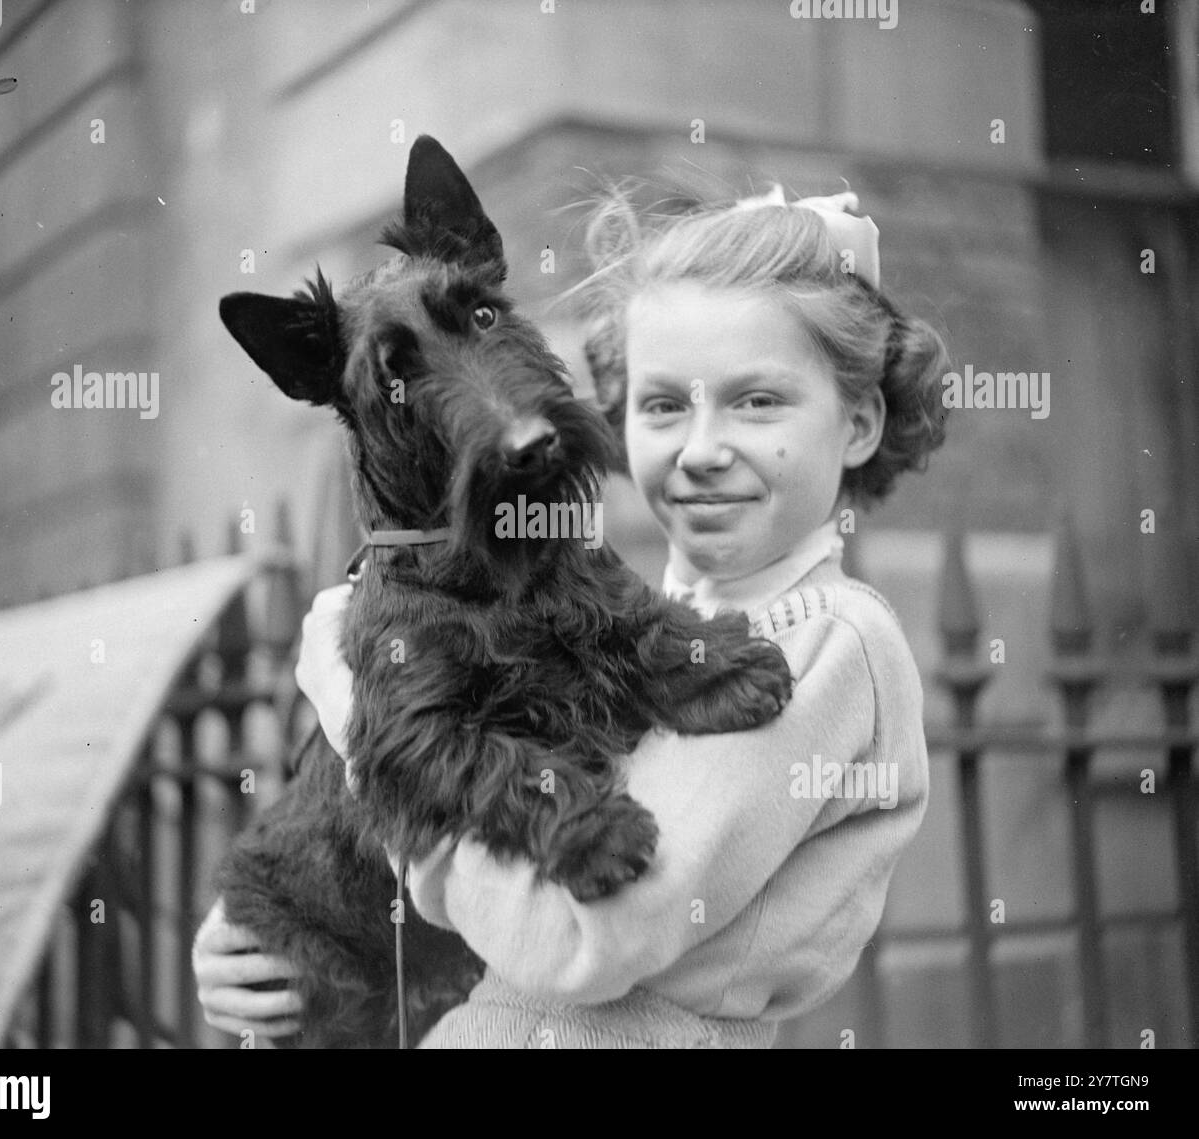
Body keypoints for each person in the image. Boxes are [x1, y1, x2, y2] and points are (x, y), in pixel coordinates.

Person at [194, 181, 950, 1048]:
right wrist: (251, 930)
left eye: (758, 400)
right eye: (665, 405)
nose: (703, 450)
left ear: (858, 422)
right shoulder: (639, 604)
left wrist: (346, 705)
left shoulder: (833, 647)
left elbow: (577, 940)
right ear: (622, 415)